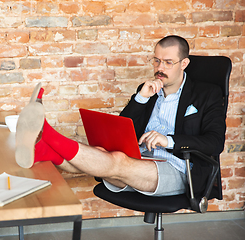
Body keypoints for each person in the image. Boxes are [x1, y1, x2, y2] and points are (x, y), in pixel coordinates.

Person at [15, 35, 226, 197]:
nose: (160, 68)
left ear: (184, 64)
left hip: (179, 168)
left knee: (115, 160)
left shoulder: (207, 94)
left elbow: (215, 143)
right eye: (156, 61)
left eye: (168, 62)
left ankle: (46, 134)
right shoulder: (148, 90)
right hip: (139, 158)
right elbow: (124, 128)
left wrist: (168, 140)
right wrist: (141, 98)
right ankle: (44, 151)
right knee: (99, 153)